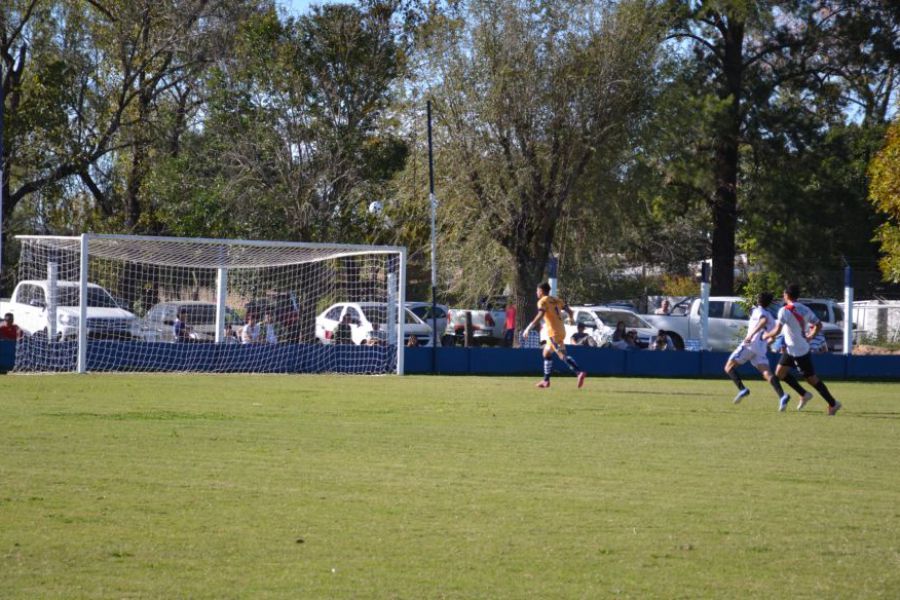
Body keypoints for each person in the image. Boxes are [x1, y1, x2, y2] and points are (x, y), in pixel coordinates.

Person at [763, 284, 842, 415]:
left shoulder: (784, 310)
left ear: (787, 295)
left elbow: (776, 331)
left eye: (784, 294)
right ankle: (804, 394)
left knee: (811, 379)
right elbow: (819, 324)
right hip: (793, 348)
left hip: (798, 351)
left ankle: (833, 403)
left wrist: (766, 335)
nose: (783, 296)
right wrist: (811, 336)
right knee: (780, 373)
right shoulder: (805, 309)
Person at [724, 292, 803, 409]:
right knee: (767, 373)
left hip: (749, 344)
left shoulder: (759, 311)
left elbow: (763, 320)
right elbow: (772, 337)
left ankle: (742, 389)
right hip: (760, 348)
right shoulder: (771, 317)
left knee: (728, 367)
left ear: (758, 300)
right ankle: (782, 395)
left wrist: (750, 335)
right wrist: (766, 343)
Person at [521, 282, 586, 389]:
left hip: (553, 332)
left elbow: (540, 314)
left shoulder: (542, 301)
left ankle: (579, 372)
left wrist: (528, 328)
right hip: (561, 330)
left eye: (537, 290)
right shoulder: (556, 300)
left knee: (561, 355)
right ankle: (546, 381)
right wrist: (571, 318)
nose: (536, 292)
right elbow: (570, 311)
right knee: (546, 353)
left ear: (541, 291)